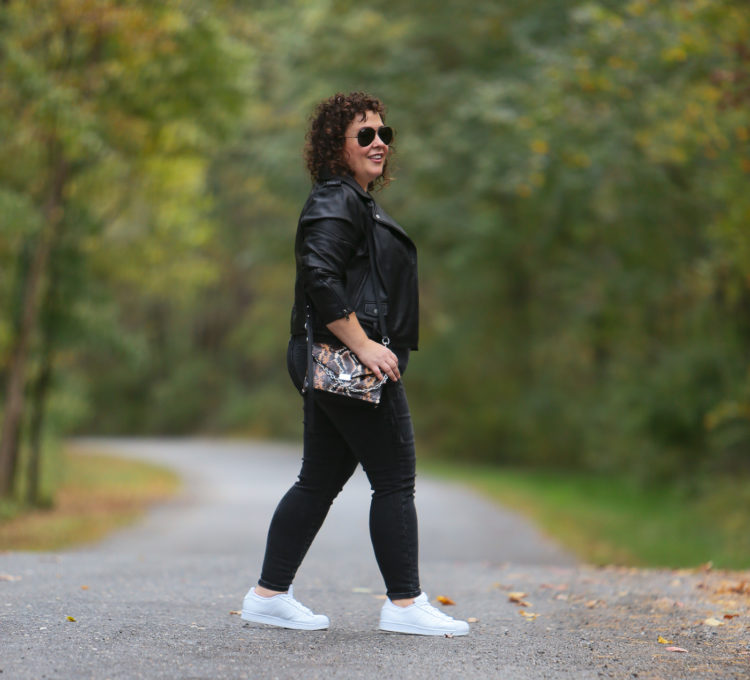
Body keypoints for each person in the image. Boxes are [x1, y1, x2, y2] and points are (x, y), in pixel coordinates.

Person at [240, 92, 469, 637]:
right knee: (395, 479)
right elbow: (319, 278)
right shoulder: (334, 201)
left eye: (384, 134)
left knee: (318, 479)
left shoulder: (352, 200)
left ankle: (268, 595)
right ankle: (405, 605)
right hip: (344, 358)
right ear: (334, 145)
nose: (379, 144)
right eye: (364, 135)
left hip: (329, 355)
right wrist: (364, 345)